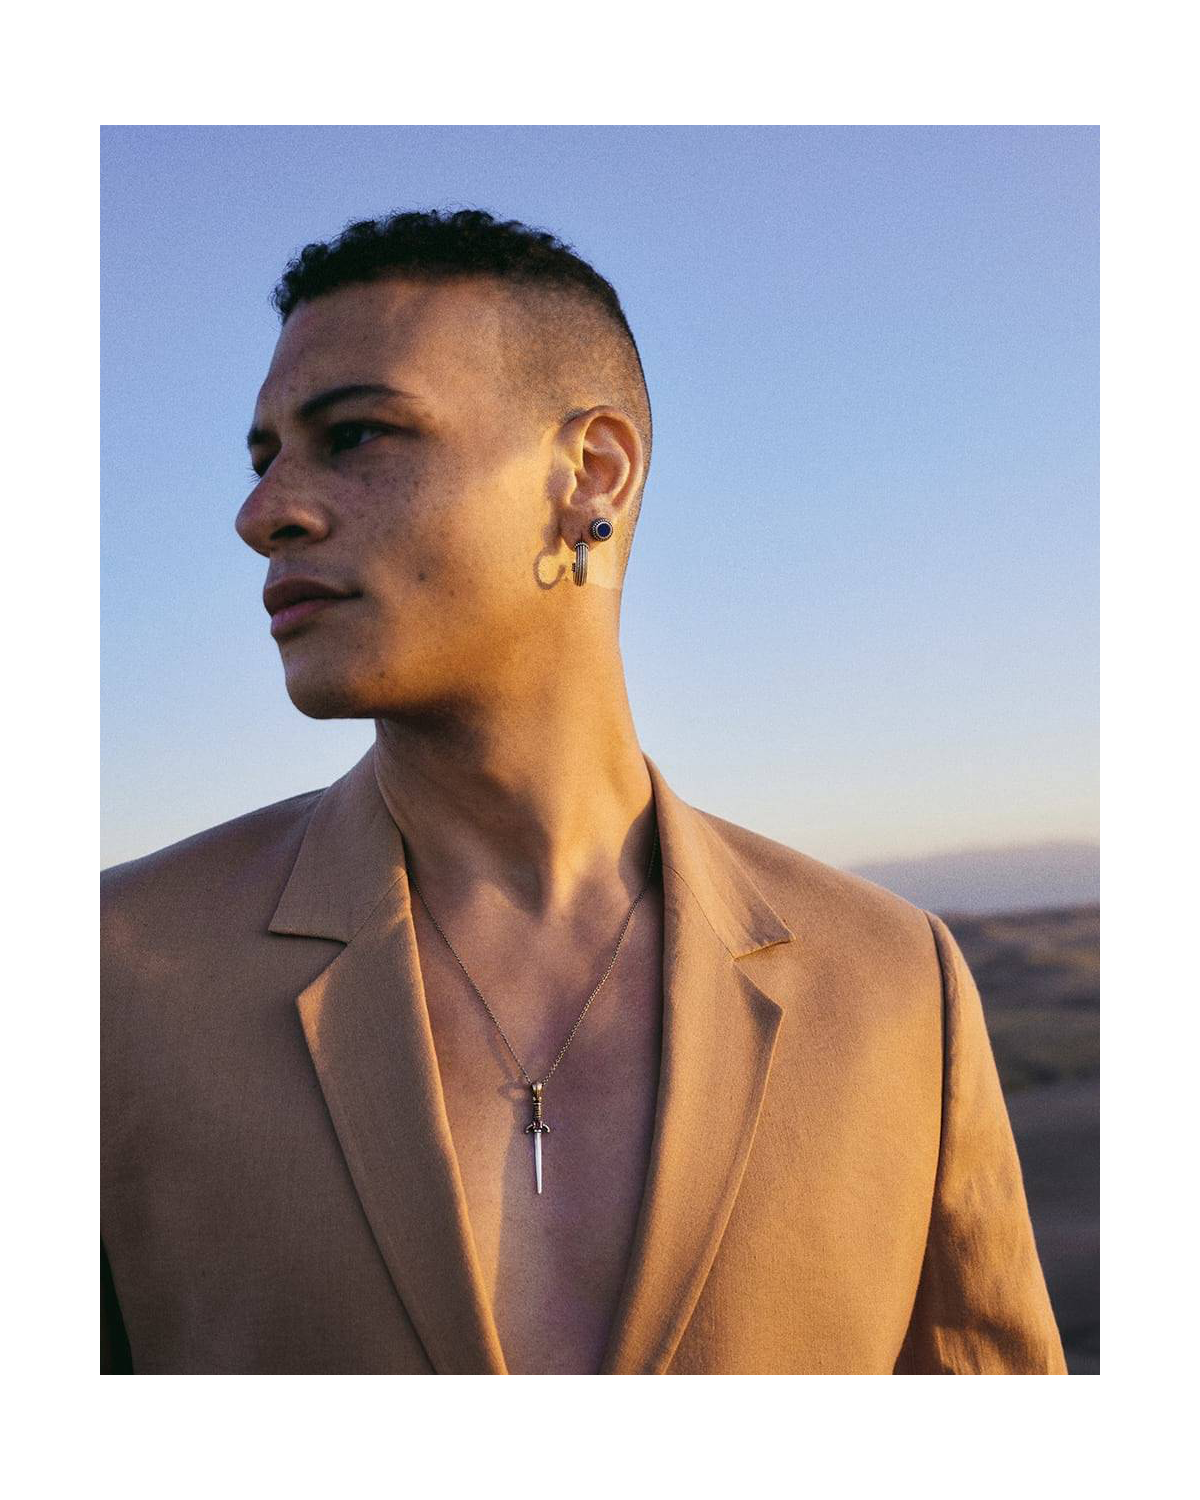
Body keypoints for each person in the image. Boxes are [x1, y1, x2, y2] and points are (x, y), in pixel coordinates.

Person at [100, 207, 1067, 1375]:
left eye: (355, 435)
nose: (264, 515)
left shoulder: (895, 983)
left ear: (589, 475)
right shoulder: (112, 972)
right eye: (264, 460)